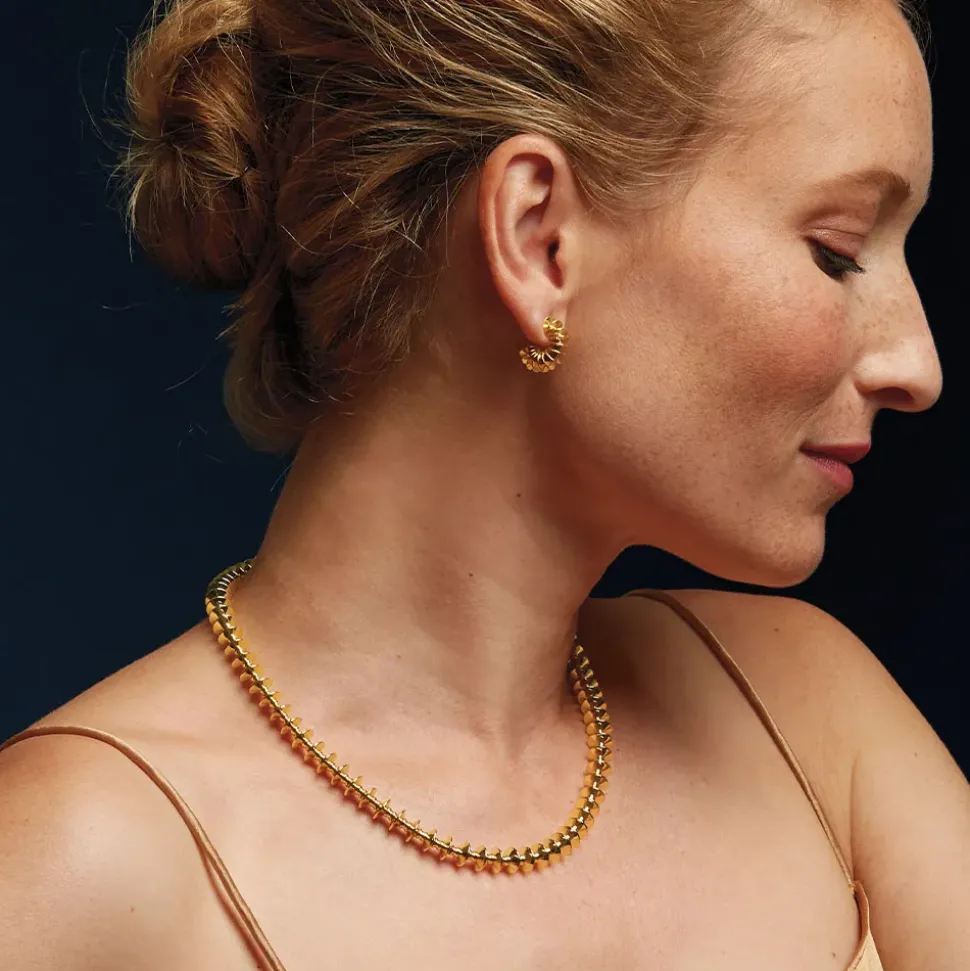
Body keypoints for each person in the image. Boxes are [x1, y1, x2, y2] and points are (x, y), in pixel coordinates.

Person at [2, 0, 968, 967]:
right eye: (838, 251)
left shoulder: (808, 714)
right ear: (538, 236)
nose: (916, 366)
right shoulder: (75, 866)